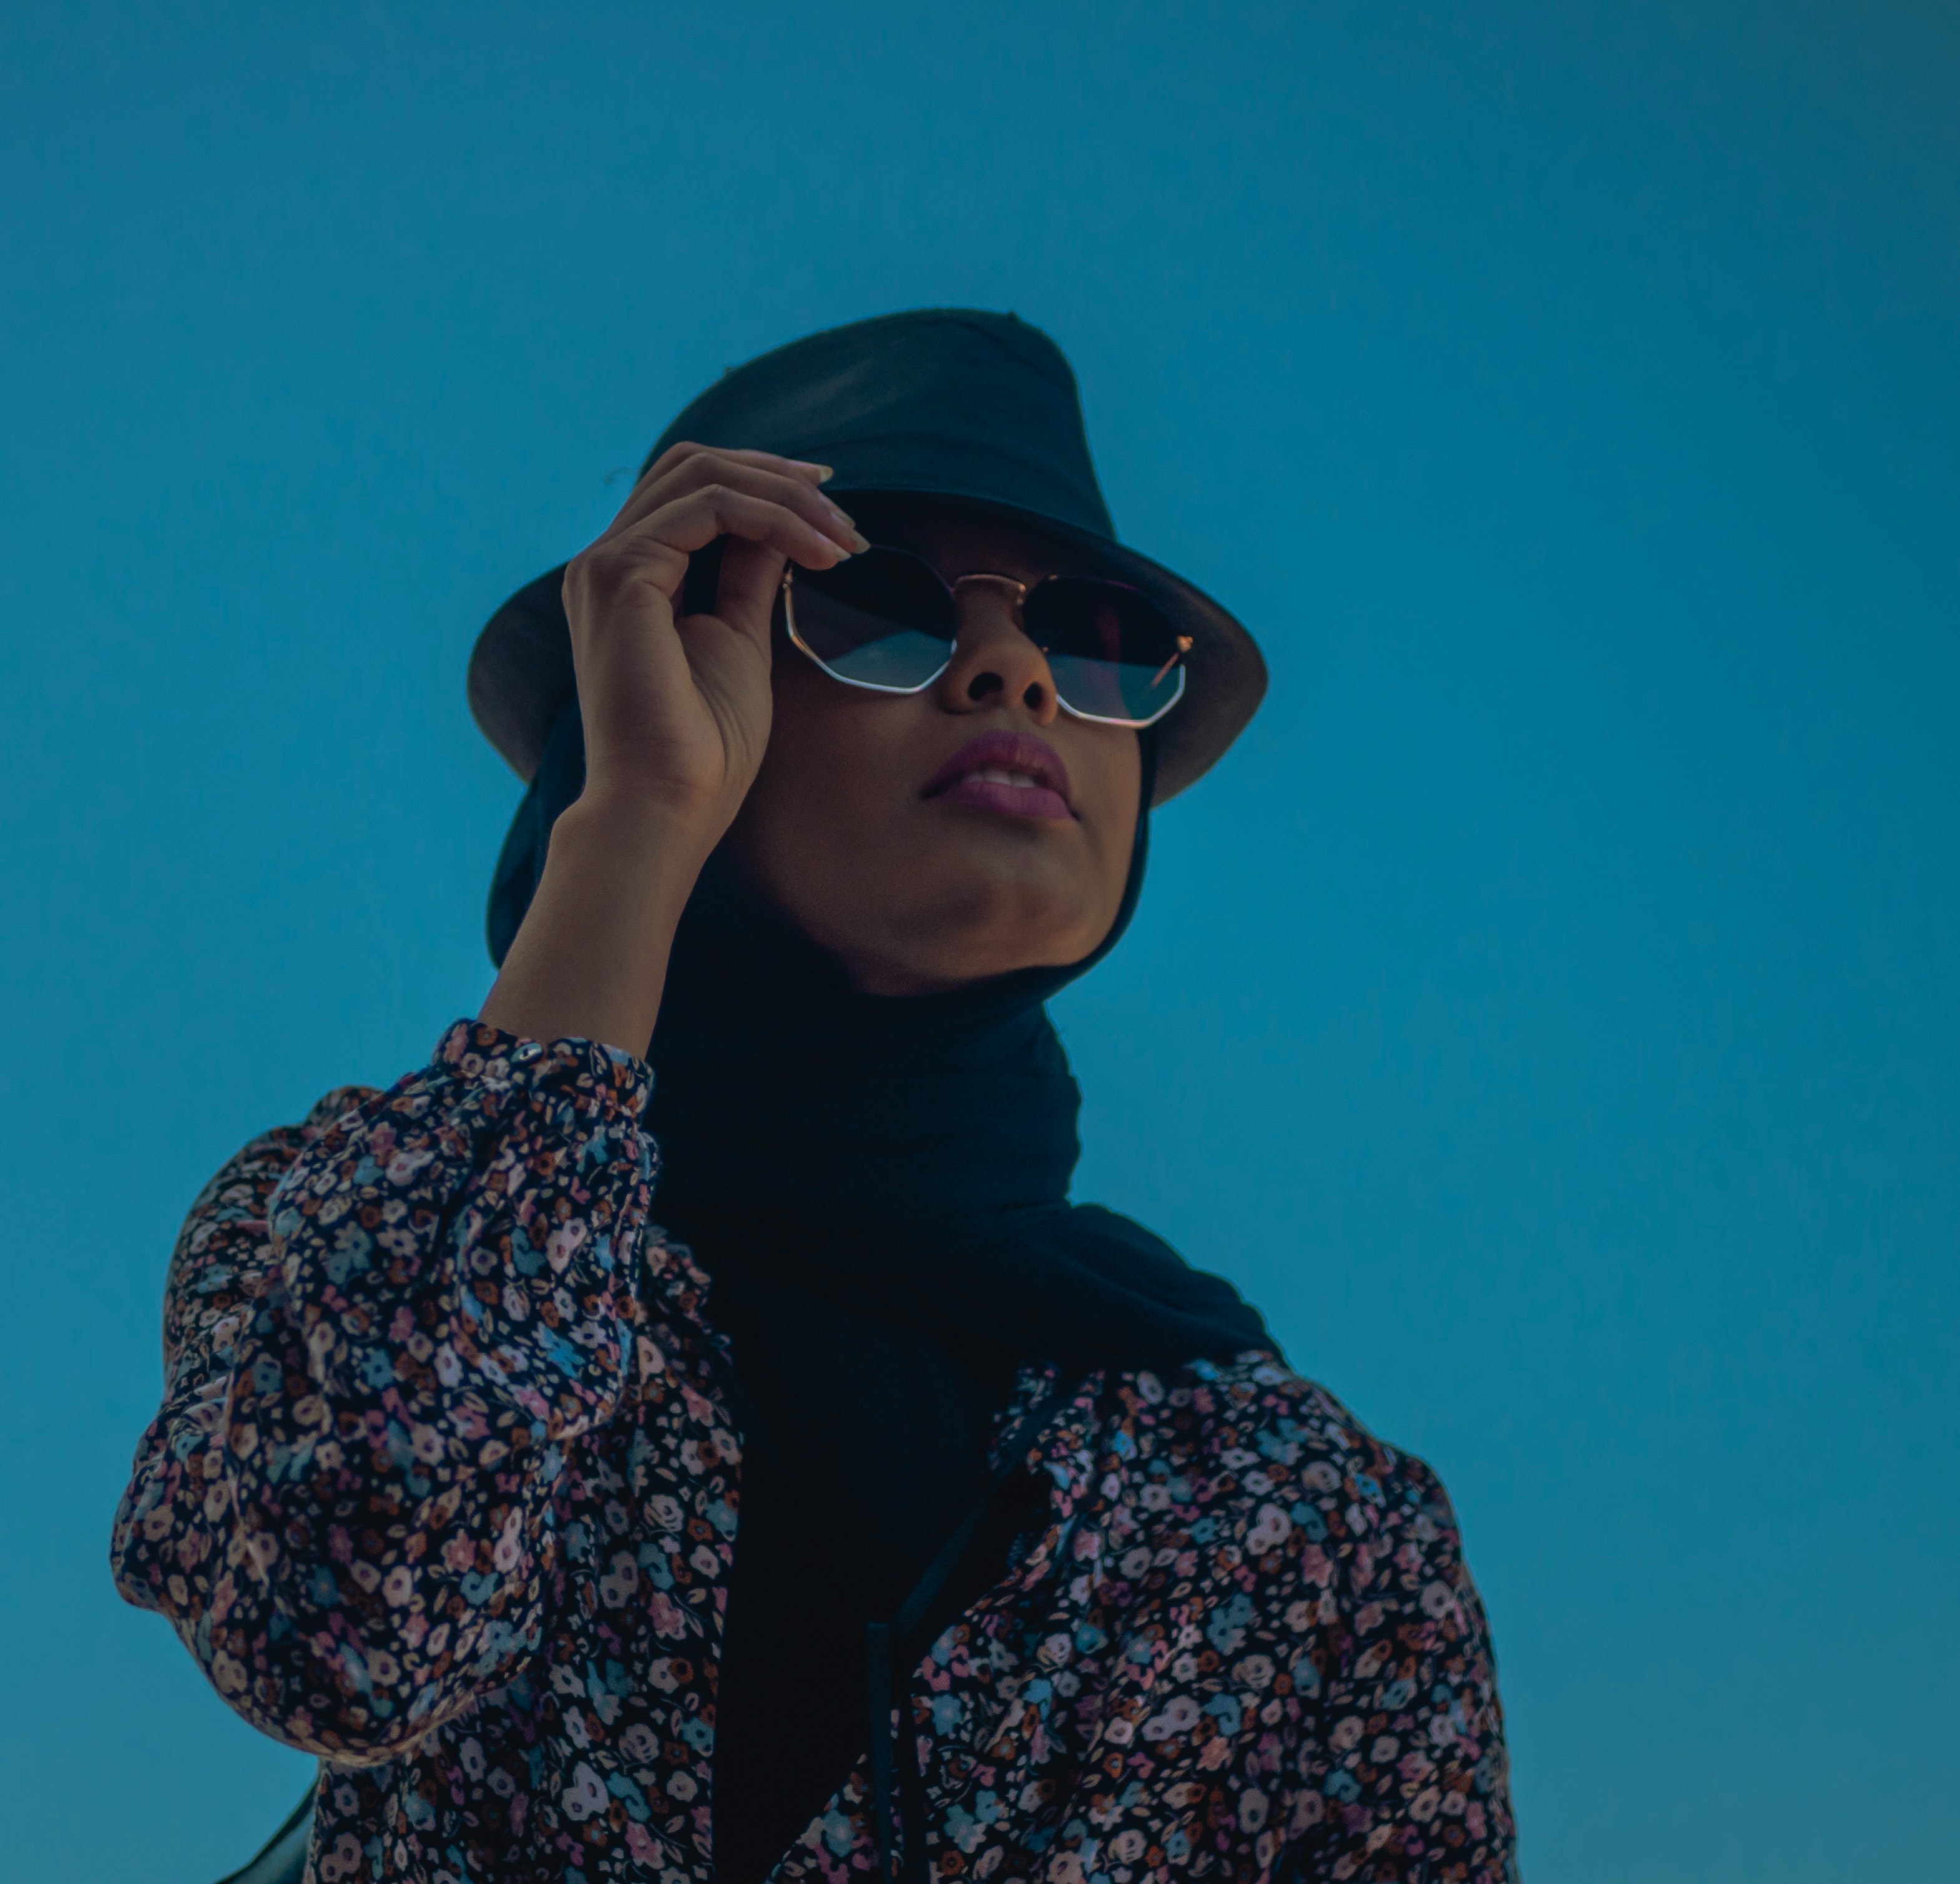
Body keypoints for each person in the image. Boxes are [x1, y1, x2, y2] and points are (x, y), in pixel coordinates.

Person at [112, 310, 1516, 1884]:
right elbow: (340, 1637)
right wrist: (636, 816)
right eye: (874, 603)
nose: (1014, 671)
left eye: (1101, 639)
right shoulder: (354, 1238)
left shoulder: (1303, 1516)